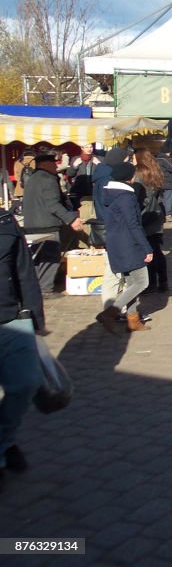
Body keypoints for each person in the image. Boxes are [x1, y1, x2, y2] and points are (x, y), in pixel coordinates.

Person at [0, 204, 44, 494]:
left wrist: (35, 318)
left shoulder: (5, 223)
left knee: (25, 383)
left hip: (11, 318)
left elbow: (24, 272)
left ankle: (5, 438)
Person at [94, 161, 153, 333]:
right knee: (142, 282)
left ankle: (133, 321)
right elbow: (134, 225)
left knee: (132, 283)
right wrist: (146, 248)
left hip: (117, 244)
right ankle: (110, 312)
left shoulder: (112, 194)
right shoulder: (126, 197)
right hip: (129, 245)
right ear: (128, 177)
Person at [22, 153, 85, 295]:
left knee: (38, 258)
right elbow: (53, 205)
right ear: (44, 164)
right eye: (52, 163)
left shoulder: (32, 178)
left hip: (32, 224)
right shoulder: (48, 179)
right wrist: (71, 219)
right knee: (50, 257)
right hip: (46, 224)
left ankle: (38, 288)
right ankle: (45, 289)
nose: (55, 165)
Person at [133, 149, 169, 295]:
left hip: (148, 214)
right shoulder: (155, 170)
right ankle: (163, 281)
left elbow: (144, 197)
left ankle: (151, 283)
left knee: (148, 251)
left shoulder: (140, 173)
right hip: (157, 213)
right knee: (157, 250)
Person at [155, 148, 172, 223]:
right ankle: (168, 215)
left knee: (161, 199)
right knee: (169, 199)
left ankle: (162, 215)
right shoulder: (165, 159)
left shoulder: (156, 159)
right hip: (168, 182)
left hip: (159, 181)